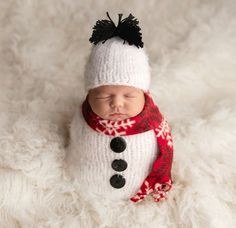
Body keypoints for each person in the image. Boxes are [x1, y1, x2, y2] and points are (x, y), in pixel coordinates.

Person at [65, 12, 174, 203]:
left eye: (129, 95)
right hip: (86, 191)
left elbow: (160, 155)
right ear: (89, 94)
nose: (117, 103)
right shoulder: (83, 119)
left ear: (144, 93)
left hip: (139, 190)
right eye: (104, 95)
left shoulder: (153, 125)